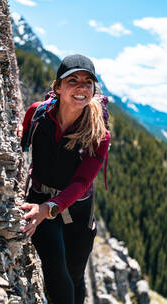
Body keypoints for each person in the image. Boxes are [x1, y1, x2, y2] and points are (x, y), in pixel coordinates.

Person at [19, 54, 111, 304]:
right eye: (73, 80)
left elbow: (81, 182)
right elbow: (22, 141)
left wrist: (48, 208)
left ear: (93, 89)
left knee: (75, 275)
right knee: (57, 274)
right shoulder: (36, 113)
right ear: (57, 87)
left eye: (88, 82)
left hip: (78, 209)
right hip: (39, 200)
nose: (82, 87)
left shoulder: (98, 133)